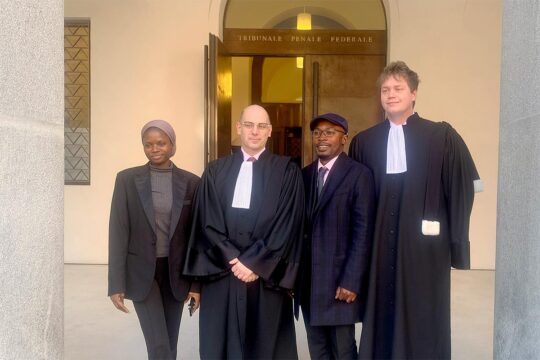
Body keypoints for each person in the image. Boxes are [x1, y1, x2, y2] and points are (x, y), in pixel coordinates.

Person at [349, 61, 482, 360]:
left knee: (423, 312)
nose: (391, 94)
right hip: (379, 249)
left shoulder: (442, 137)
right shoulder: (364, 142)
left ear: (414, 94)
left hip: (426, 251)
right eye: (385, 89)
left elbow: (462, 190)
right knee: (381, 309)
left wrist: (457, 246)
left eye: (398, 88)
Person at [183, 104, 304, 359]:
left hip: (265, 277)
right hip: (223, 274)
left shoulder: (287, 172)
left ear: (270, 131)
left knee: (265, 344)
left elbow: (287, 223)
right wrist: (234, 260)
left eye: (261, 126)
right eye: (249, 125)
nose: (255, 131)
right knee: (220, 344)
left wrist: (254, 263)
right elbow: (206, 220)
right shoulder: (215, 171)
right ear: (239, 128)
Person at [108, 120, 201, 360]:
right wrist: (115, 283)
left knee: (169, 343)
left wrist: (196, 284)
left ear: (172, 145)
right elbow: (118, 232)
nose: (154, 148)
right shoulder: (127, 180)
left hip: (176, 273)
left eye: (161, 143)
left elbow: (196, 237)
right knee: (159, 344)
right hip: (141, 273)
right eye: (148, 144)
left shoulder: (191, 183)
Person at [296, 113, 375, 359]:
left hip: (339, 282)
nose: (322, 137)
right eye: (317, 132)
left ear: (344, 138)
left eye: (330, 132)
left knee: (343, 350)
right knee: (317, 349)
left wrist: (351, 280)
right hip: (309, 282)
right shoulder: (304, 175)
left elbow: (363, 231)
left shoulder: (358, 175)